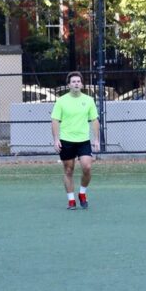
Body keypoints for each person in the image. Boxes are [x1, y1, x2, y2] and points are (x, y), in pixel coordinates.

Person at [51, 71, 100, 210]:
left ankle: (82, 193)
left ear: (82, 84)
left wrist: (96, 139)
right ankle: (71, 200)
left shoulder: (89, 100)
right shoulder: (61, 101)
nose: (76, 84)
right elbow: (55, 121)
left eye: (78, 81)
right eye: (73, 82)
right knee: (68, 170)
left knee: (87, 167)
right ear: (69, 85)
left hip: (83, 140)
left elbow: (94, 120)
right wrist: (56, 139)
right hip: (66, 140)